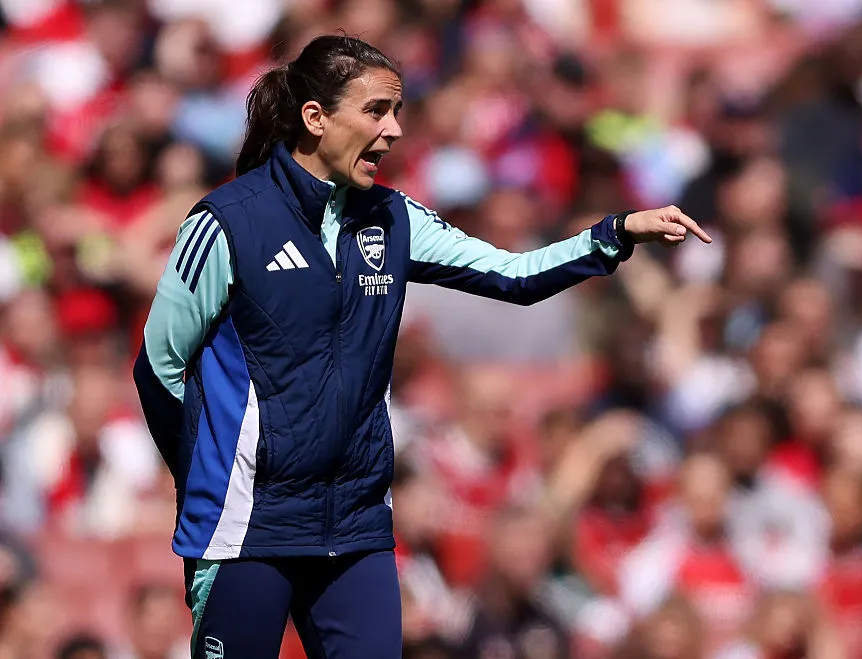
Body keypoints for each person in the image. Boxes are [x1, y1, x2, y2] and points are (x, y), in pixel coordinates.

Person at [132, 34, 711, 659]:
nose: (395, 129)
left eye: (399, 110)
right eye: (377, 110)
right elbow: (158, 366)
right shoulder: (225, 222)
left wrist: (614, 233)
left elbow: (513, 276)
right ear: (315, 118)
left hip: (355, 525)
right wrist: (206, 479)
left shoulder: (394, 218)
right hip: (247, 526)